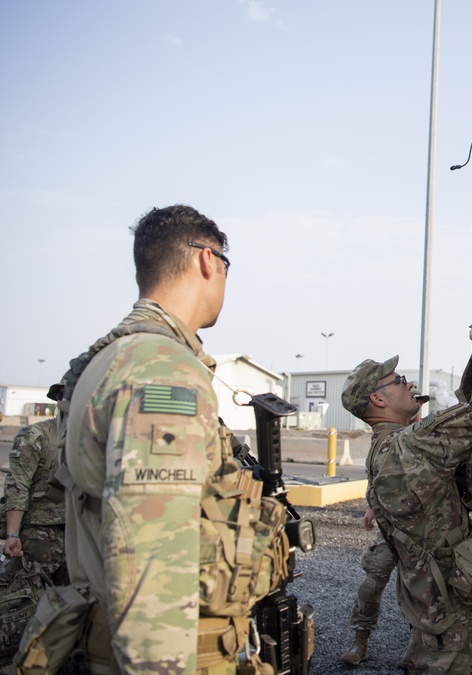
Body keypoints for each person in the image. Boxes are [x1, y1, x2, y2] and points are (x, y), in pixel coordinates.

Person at [22, 205, 287, 674]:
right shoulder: (161, 368)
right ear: (208, 261)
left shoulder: (111, 357)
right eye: (227, 266)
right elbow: (151, 558)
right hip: (169, 654)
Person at [341, 318, 472, 674]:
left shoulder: (378, 452)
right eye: (398, 381)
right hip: (453, 597)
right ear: (378, 398)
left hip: (429, 596)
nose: (408, 384)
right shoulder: (414, 442)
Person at [2, 384, 67, 582]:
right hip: (38, 535)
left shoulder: (97, 440)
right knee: (26, 601)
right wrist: (13, 534)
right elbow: (18, 487)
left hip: (78, 535)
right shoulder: (36, 435)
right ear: (59, 399)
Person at [340, 508, 394, 666]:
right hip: (390, 530)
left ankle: (419, 648)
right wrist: (372, 508)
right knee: (369, 587)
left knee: (421, 591)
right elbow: (377, 483)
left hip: (423, 532)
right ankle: (360, 644)